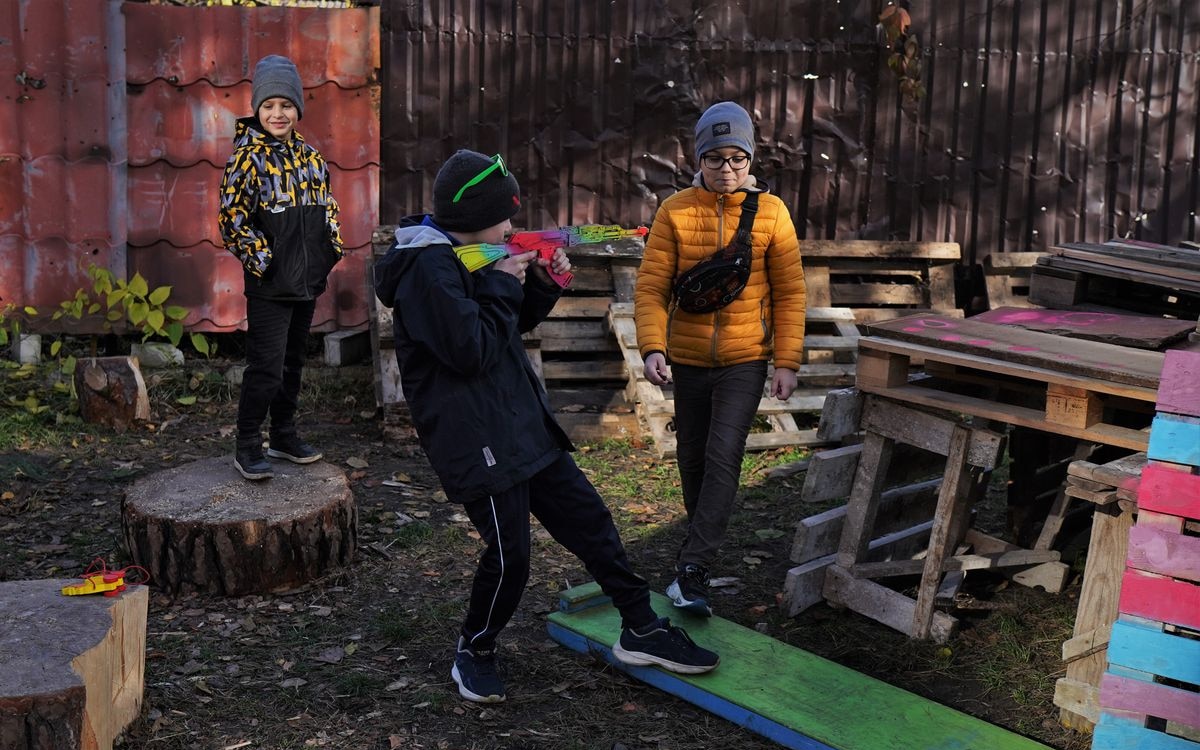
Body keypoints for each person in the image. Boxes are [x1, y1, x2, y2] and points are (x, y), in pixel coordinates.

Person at [373, 149, 719, 704]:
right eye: (505, 216)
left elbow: (505, 330)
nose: (512, 226)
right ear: (474, 215)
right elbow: (468, 352)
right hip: (475, 436)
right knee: (511, 557)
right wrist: (503, 284)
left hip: (519, 423)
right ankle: (475, 650)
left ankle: (642, 627)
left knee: (591, 522)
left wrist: (539, 286)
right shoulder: (426, 269)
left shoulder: (465, 253)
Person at [634, 101, 806, 617]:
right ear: (699, 158)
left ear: (751, 160)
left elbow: (791, 292)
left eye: (738, 158)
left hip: (745, 359)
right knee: (691, 457)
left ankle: (695, 568)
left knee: (723, 454)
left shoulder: (772, 214)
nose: (728, 169)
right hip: (685, 358)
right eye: (716, 158)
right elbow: (651, 287)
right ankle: (698, 549)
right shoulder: (675, 211)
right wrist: (653, 346)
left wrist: (786, 361)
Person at [218, 54, 343, 480]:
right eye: (269, 105)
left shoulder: (310, 157)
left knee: (293, 363)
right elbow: (232, 219)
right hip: (270, 284)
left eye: (286, 105)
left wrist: (331, 251)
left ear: (297, 109)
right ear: (257, 108)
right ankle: (247, 443)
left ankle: (285, 434)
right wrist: (264, 262)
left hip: (307, 281)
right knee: (266, 366)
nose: (277, 113)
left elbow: (328, 208)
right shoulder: (246, 159)